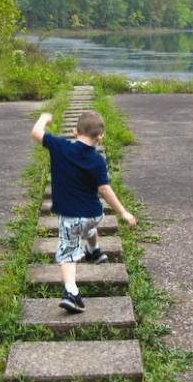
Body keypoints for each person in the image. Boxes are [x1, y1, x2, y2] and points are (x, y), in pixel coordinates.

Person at [30, 109, 137, 313]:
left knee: (68, 254)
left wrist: (44, 118)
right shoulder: (98, 161)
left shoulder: (60, 147)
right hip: (93, 215)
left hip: (70, 218)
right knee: (88, 229)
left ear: (74, 131)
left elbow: (36, 133)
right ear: (100, 137)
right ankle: (93, 250)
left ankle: (71, 293)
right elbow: (104, 189)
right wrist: (123, 213)